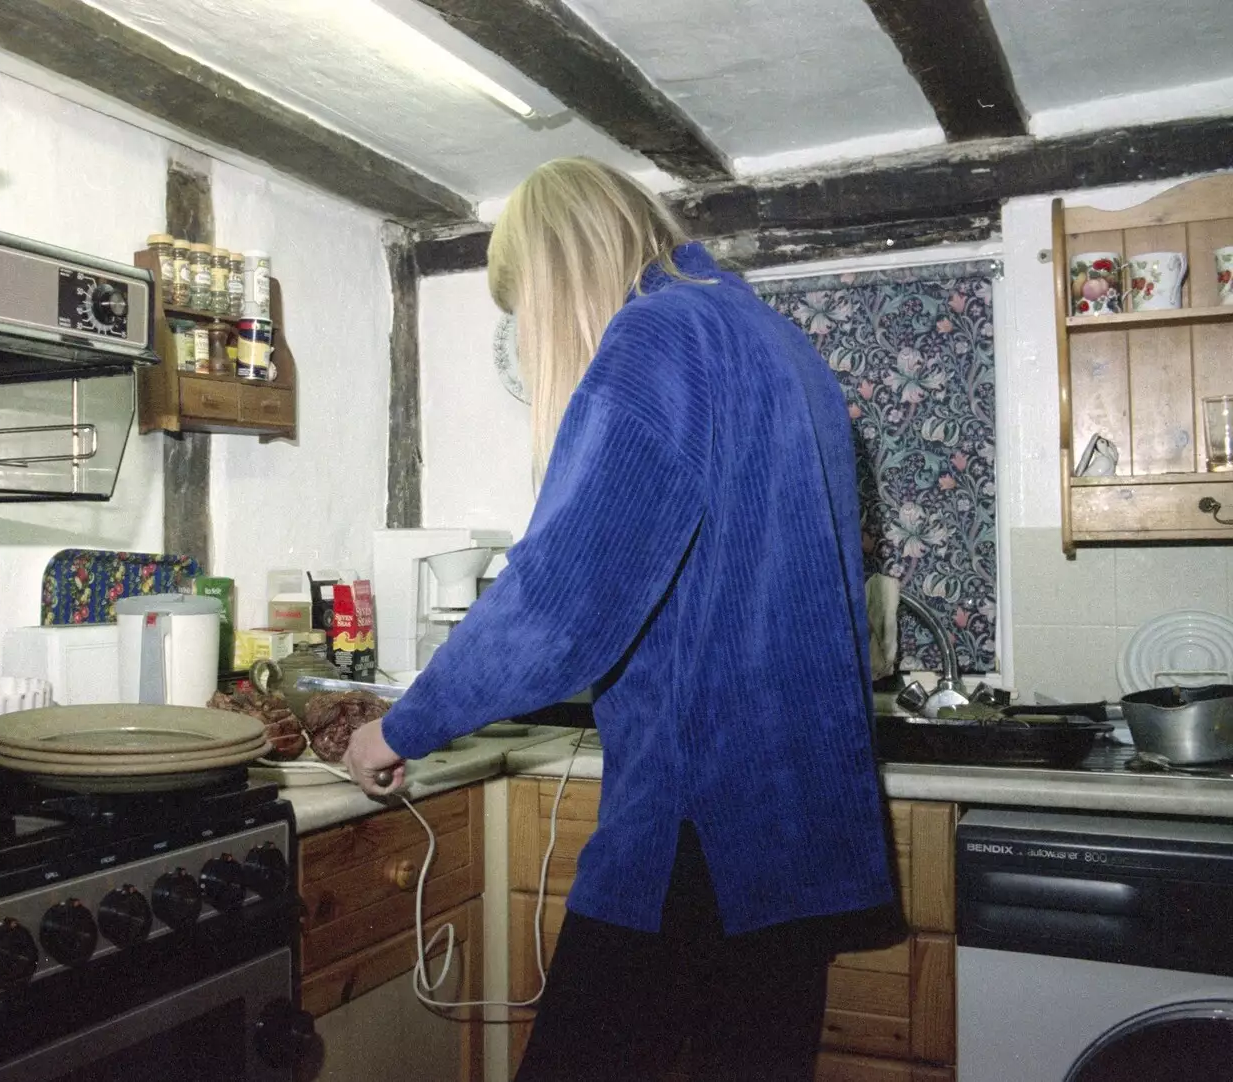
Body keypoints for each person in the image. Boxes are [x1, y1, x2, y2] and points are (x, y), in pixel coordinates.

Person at [342, 157, 895, 1081]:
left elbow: (564, 597)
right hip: (795, 826)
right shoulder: (774, 340)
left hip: (701, 822)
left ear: (560, 273)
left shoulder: (658, 337)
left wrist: (401, 725)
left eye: (529, 308)